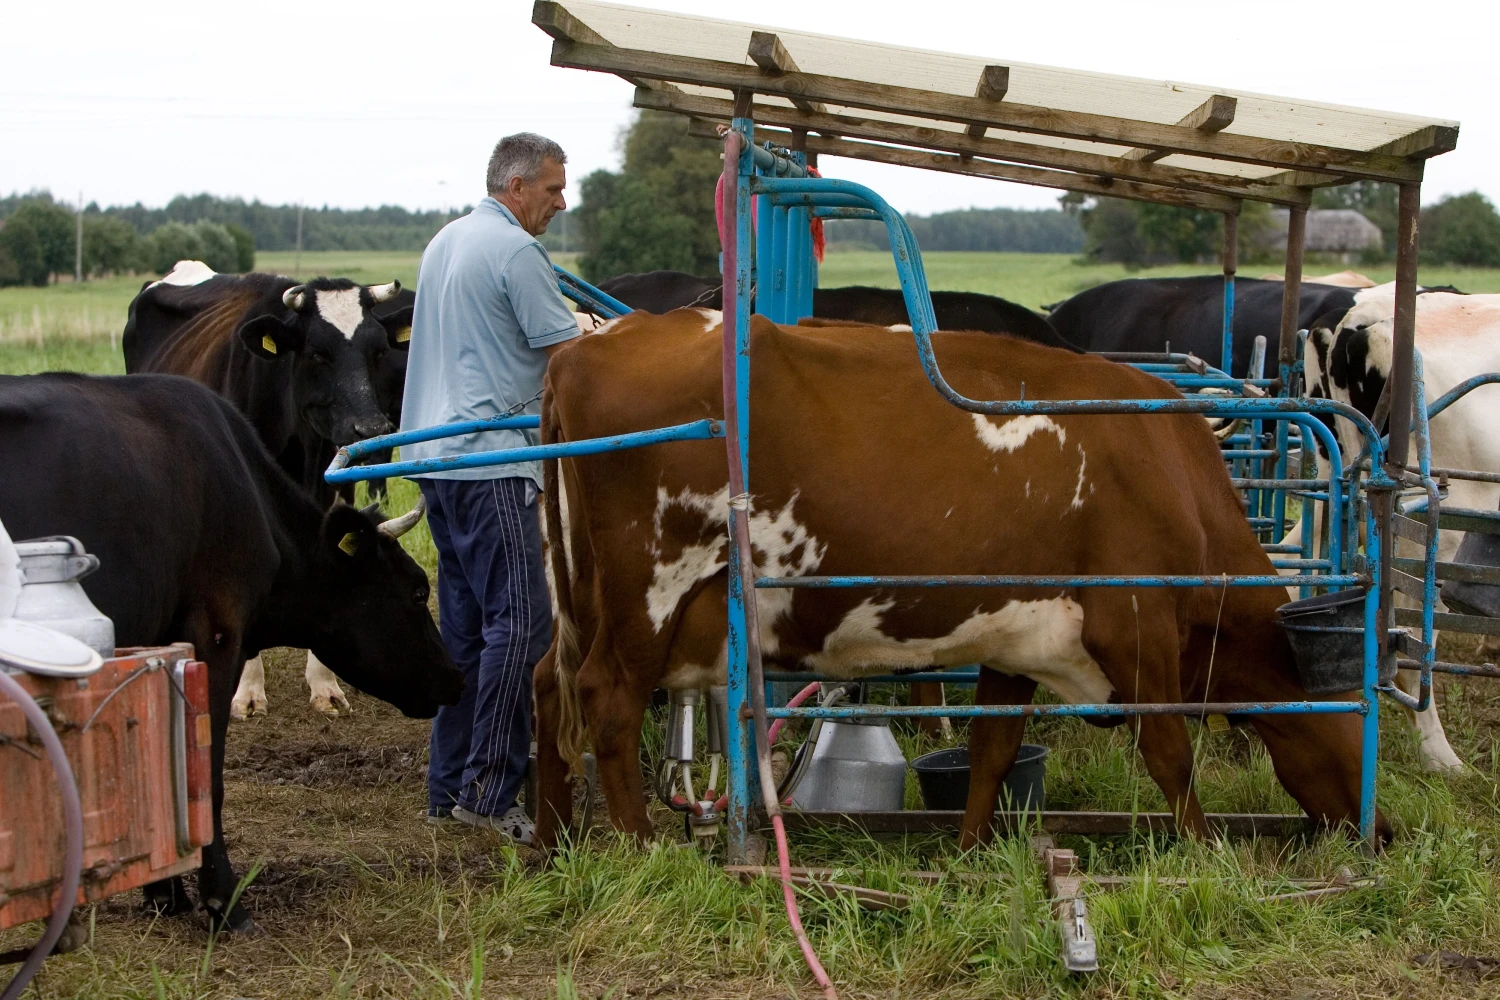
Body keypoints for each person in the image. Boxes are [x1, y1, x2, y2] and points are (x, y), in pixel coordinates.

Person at [399, 133, 580, 843]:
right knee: (523, 624)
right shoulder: (517, 253)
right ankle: (488, 791)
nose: (561, 203)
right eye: (553, 189)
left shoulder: (446, 242)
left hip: (436, 460)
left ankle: (447, 791)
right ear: (516, 187)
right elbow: (567, 360)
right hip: (493, 463)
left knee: (467, 631)